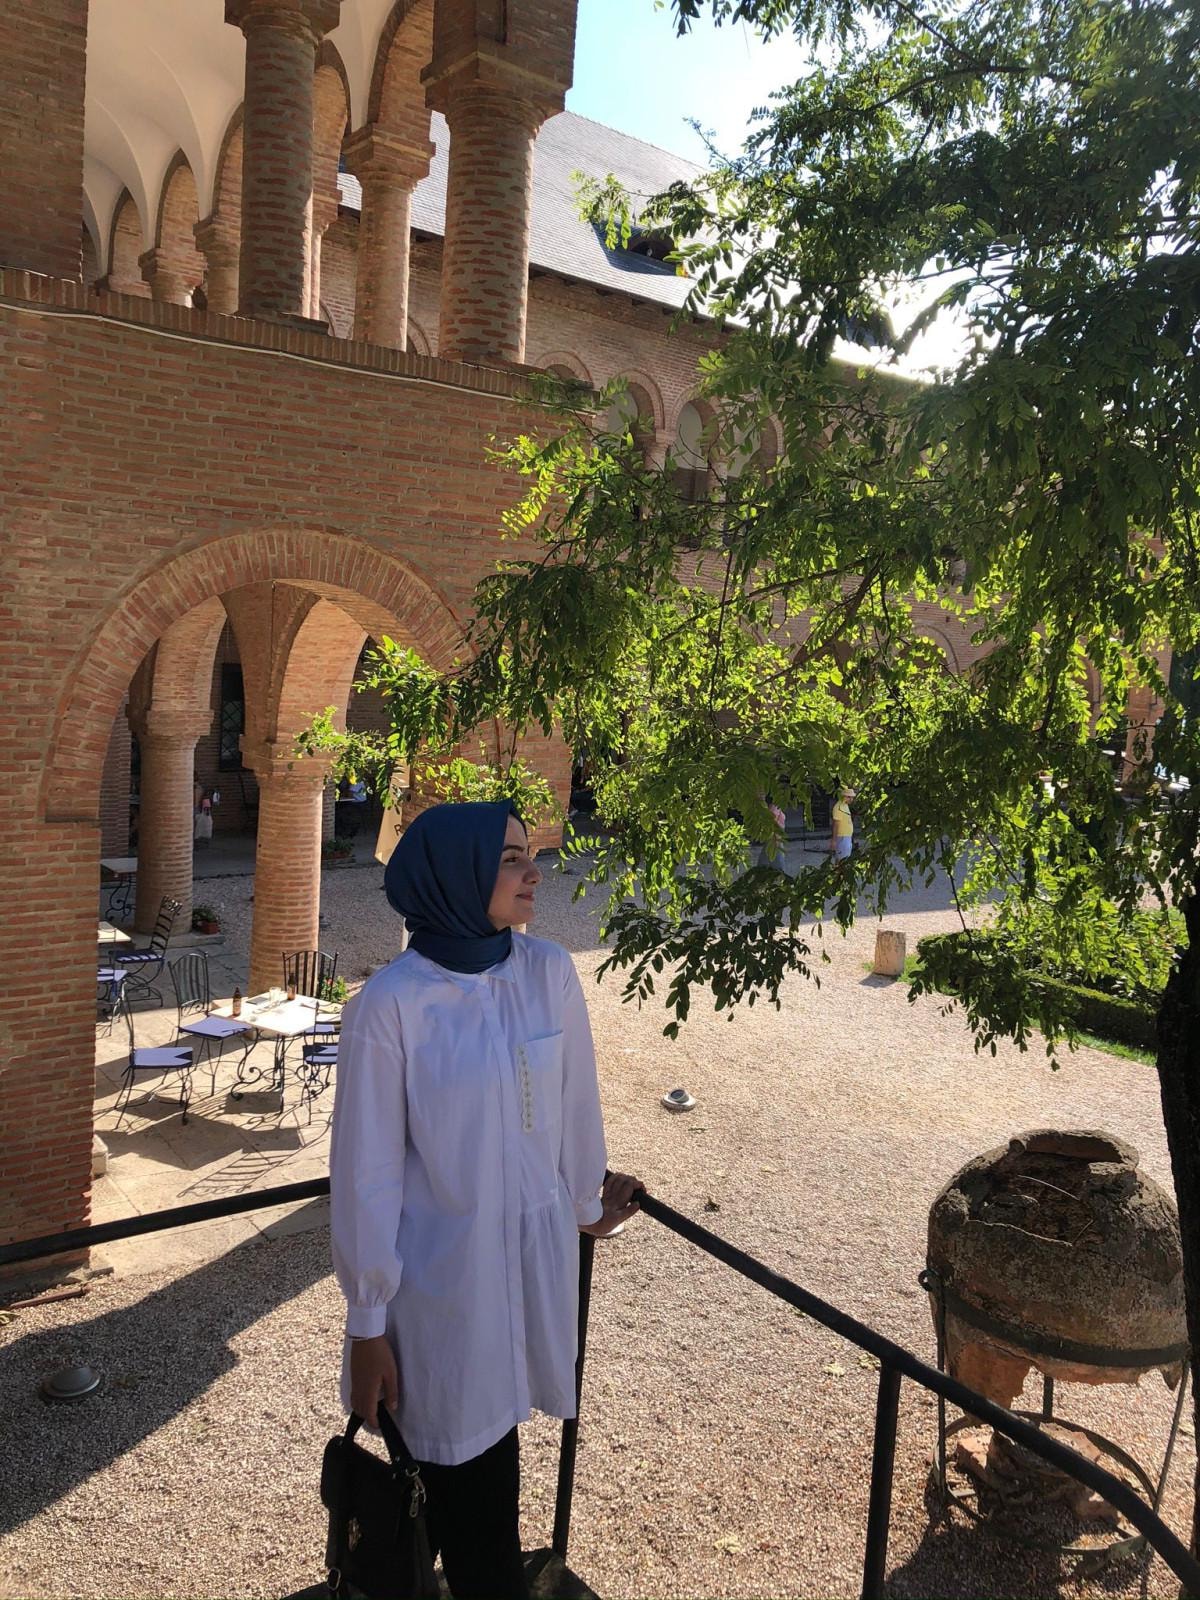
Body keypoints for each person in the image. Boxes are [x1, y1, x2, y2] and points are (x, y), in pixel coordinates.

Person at [330, 799, 641, 1600]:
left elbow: (574, 1105)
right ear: (455, 874)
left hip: (531, 1272)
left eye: (529, 852)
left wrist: (587, 1205)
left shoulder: (547, 974)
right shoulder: (391, 1006)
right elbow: (367, 1175)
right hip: (445, 1299)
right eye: (509, 858)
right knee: (463, 1507)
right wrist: (367, 1325)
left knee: (487, 1476)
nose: (535, 870)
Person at [830, 786, 855, 861]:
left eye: (852, 797)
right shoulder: (839, 807)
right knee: (842, 860)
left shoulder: (845, 805)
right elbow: (835, 825)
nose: (851, 799)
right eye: (848, 797)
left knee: (844, 860)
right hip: (842, 837)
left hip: (847, 837)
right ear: (843, 796)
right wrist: (834, 840)